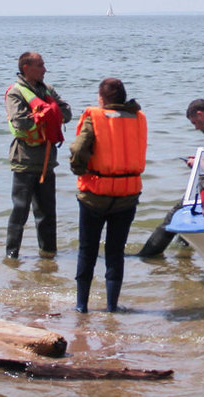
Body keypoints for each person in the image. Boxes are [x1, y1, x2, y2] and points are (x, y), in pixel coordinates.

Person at [69, 78, 147, 313]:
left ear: (101, 98)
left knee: (87, 249)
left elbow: (79, 149)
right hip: (127, 194)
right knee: (115, 251)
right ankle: (112, 306)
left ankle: (81, 306)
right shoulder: (138, 117)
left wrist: (78, 169)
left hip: (95, 193)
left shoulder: (95, 116)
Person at [135, 98, 204, 258]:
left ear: (200, 114)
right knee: (189, 216)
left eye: (194, 122)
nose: (195, 127)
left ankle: (147, 255)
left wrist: (195, 163)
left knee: (174, 216)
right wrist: (200, 159)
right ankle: (184, 256)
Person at [4, 52, 72, 259]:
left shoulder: (47, 90)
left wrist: (50, 113)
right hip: (24, 162)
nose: (44, 69)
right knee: (20, 212)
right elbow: (20, 121)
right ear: (26, 68)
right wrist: (47, 114)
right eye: (40, 65)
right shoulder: (15, 93)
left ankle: (48, 258)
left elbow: (67, 113)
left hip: (47, 162)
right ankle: (11, 256)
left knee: (47, 215)